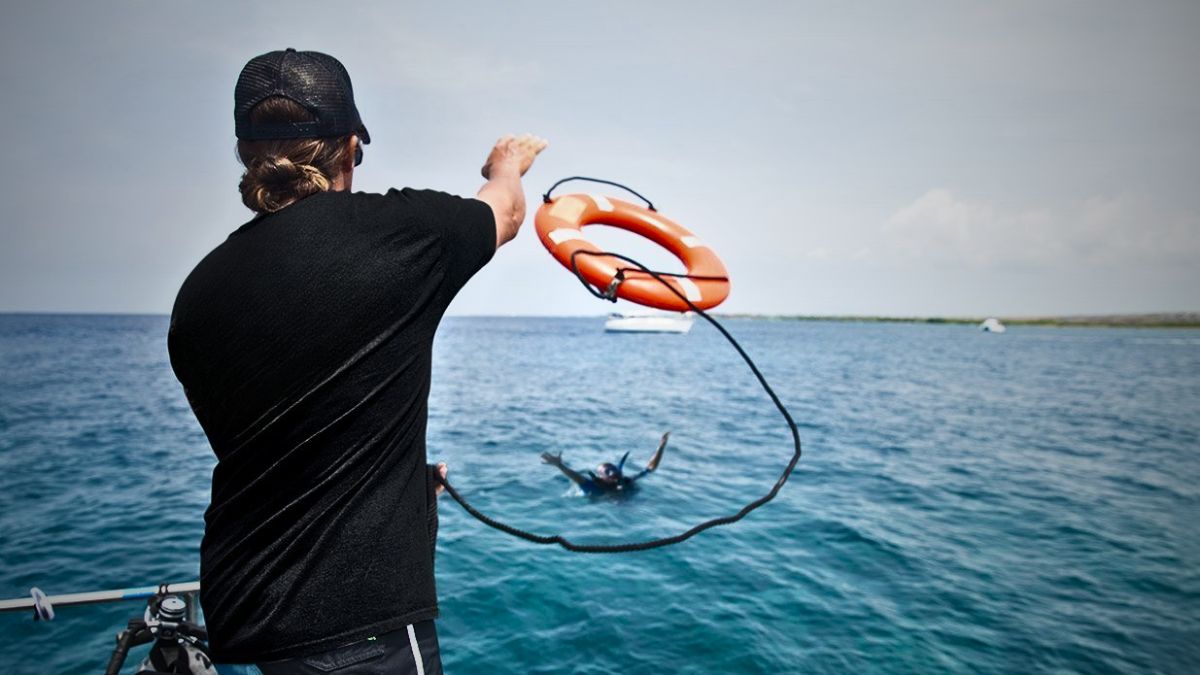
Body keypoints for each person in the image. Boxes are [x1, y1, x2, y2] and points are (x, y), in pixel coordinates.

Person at [167, 48, 546, 674]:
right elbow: (504, 212)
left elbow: (282, 441)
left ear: (244, 152)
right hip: (362, 627)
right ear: (350, 147)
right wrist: (505, 165)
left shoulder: (197, 295)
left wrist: (394, 478)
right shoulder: (408, 233)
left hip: (250, 614)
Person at [541, 432, 670, 495]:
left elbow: (650, 468)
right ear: (600, 477)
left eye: (613, 468)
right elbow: (575, 477)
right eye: (607, 471)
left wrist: (661, 447)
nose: (612, 472)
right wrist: (560, 465)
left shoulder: (626, 481)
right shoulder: (594, 486)